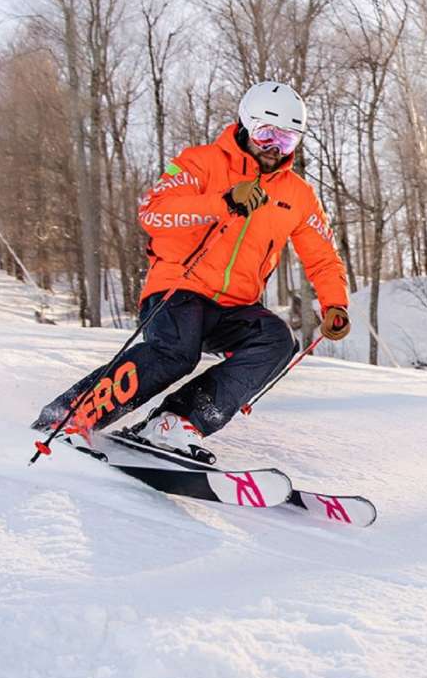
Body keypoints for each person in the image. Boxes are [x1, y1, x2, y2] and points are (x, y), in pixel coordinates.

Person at [32, 81, 351, 453]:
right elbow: (154, 213)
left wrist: (335, 304)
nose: (273, 149)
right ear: (246, 124)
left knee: (277, 341)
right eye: (266, 134)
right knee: (176, 354)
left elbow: (322, 255)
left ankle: (177, 421)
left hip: (234, 305)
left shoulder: (297, 194)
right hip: (179, 289)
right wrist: (224, 202)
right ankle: (72, 414)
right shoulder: (201, 162)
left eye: (286, 140)